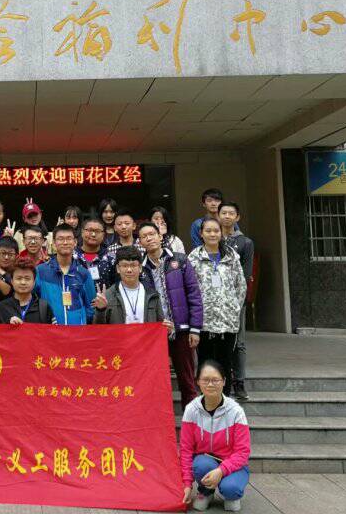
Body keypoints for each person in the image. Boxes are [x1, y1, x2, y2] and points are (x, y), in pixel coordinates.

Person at [137, 222, 203, 409]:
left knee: (187, 380)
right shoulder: (140, 267)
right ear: (140, 242)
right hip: (154, 334)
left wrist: (195, 329)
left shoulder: (180, 260)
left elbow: (194, 294)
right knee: (155, 380)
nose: (149, 238)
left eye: (152, 234)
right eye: (144, 236)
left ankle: (191, 419)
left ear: (160, 236)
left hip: (181, 329)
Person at [180, 359, 250, 512]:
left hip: (233, 464)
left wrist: (221, 471)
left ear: (224, 381)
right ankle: (206, 492)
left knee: (231, 490)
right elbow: (186, 450)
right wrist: (187, 484)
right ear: (198, 382)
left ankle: (230, 493)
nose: (210, 384)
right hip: (206, 462)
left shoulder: (236, 412)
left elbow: (243, 452)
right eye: (205, 380)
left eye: (215, 380)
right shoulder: (191, 410)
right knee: (201, 465)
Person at [188, 218, 247, 396]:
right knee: (205, 362)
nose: (212, 234)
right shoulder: (193, 258)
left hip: (227, 321)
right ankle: (206, 400)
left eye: (216, 231)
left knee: (225, 362)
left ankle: (224, 401)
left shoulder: (231, 256)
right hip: (204, 321)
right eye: (208, 231)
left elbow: (240, 286)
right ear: (201, 234)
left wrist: (234, 308)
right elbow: (190, 289)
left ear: (221, 233)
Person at [219, 202, 255, 402]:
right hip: (214, 301)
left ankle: (239, 382)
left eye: (231, 213)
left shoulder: (245, 243)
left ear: (237, 217)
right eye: (223, 213)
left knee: (238, 342)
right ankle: (221, 380)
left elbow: (246, 274)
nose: (227, 216)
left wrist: (236, 299)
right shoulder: (212, 238)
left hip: (235, 300)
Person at [92, 247, 173, 334]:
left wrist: (167, 330)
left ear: (140, 268)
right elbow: (98, 332)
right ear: (118, 268)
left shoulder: (152, 294)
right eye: (125, 266)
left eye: (133, 265)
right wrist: (100, 310)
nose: (129, 270)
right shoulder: (108, 295)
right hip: (120, 341)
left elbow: (160, 328)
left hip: (146, 341)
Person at [35, 223, 96, 325]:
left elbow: (91, 306)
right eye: (60, 239)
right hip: (50, 330)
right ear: (54, 243)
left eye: (69, 238)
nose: (65, 242)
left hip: (77, 331)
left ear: (75, 242)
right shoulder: (40, 271)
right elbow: (31, 300)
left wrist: (82, 322)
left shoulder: (83, 273)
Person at [0, 257, 56, 324]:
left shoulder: (44, 307)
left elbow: (52, 330)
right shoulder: (1, 308)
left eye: (27, 278)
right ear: (12, 281)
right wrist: (8, 325)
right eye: (19, 278)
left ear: (34, 282)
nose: (23, 282)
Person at [74, 217, 114, 288]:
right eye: (90, 230)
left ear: (103, 235)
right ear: (82, 232)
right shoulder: (71, 256)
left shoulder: (111, 257)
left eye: (97, 231)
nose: (93, 234)